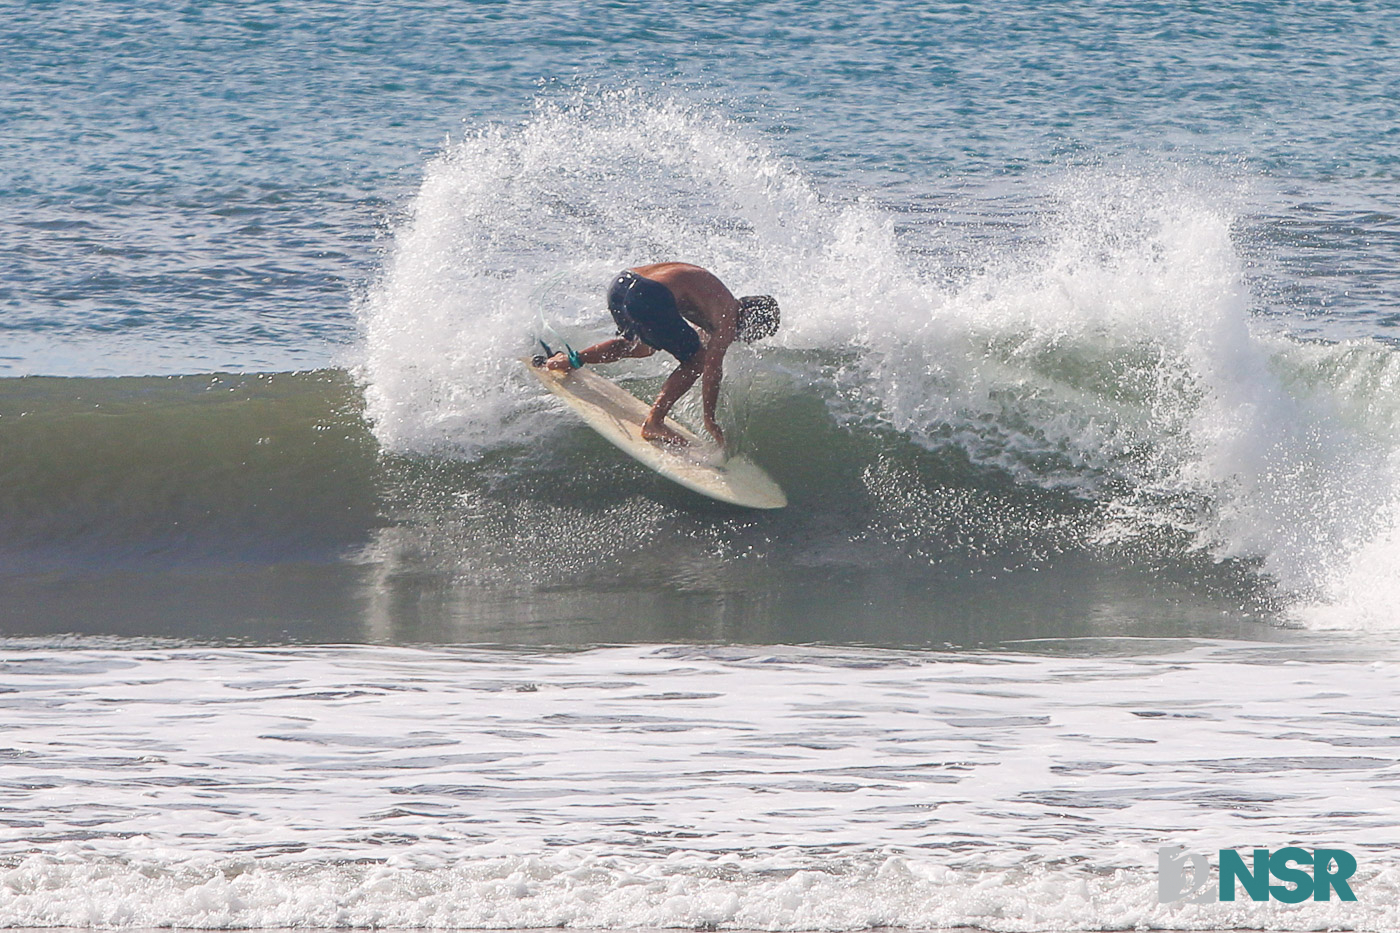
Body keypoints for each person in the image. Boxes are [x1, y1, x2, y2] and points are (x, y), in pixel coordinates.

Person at [544, 263, 779, 449]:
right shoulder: (728, 316)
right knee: (695, 362)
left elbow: (692, 335)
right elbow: (711, 368)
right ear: (751, 322)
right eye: (751, 335)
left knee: (639, 347)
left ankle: (570, 360)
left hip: (621, 285)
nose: (741, 340)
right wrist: (710, 420)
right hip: (649, 295)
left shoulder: (716, 298)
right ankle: (654, 423)